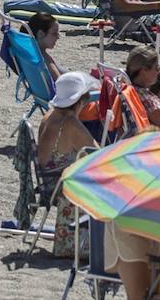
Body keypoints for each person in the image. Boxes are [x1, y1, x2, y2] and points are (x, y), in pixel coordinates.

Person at [37, 71, 97, 258]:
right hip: (59, 186)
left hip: (46, 180)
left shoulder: (49, 115)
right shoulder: (70, 124)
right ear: (78, 101)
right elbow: (97, 154)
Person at [124, 46, 160, 130]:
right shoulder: (144, 97)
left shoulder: (127, 87)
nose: (158, 72)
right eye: (156, 68)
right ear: (144, 70)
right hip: (156, 138)